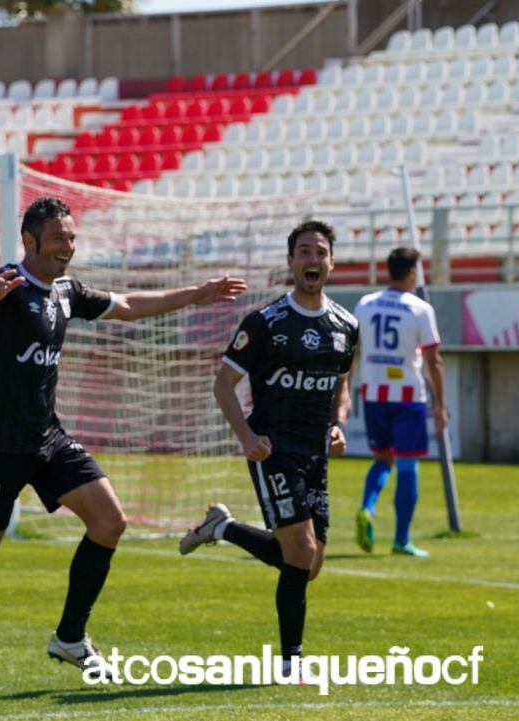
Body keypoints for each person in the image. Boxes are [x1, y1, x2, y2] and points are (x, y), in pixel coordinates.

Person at [0, 196, 247, 692]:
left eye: (72, 238)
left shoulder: (65, 292)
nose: (68, 247)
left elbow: (129, 305)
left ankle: (70, 637)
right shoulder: (5, 282)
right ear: (30, 241)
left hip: (47, 437)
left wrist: (196, 293)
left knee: (110, 521)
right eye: (58, 238)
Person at [179, 220, 358, 678]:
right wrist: (246, 437)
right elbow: (224, 384)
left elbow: (342, 384)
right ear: (291, 263)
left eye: (320, 252)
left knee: (309, 563)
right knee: (299, 550)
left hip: (315, 453)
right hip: (272, 449)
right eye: (303, 252)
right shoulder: (265, 323)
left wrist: (338, 424)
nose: (312, 260)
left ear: (331, 262)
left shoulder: (346, 326)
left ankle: (223, 529)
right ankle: (291, 663)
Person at [351, 247, 446, 558]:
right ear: (411, 273)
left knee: (382, 459)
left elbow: (353, 352)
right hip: (407, 396)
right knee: (408, 465)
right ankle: (401, 540)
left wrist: (345, 390)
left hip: (373, 394)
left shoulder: (365, 304)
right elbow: (434, 361)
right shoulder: (419, 308)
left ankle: (368, 507)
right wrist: (440, 404)